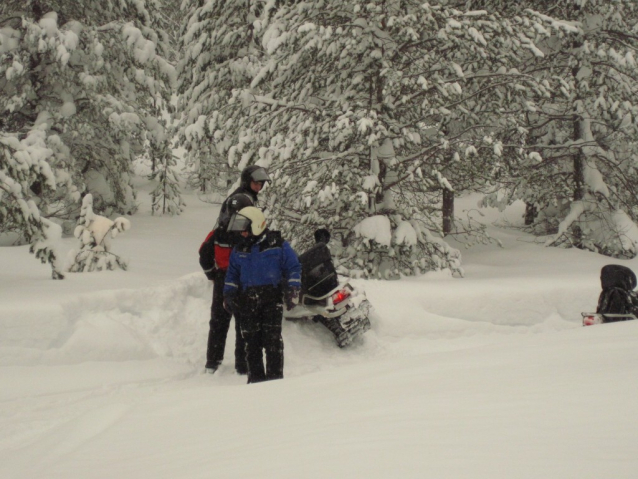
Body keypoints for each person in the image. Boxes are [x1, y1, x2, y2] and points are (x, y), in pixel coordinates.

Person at [198, 165, 271, 375]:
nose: (259, 186)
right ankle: (234, 364)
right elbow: (204, 251)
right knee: (237, 320)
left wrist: (213, 273)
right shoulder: (238, 209)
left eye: (261, 183)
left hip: (231, 275)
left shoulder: (230, 224)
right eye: (256, 182)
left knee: (226, 320)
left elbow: (204, 252)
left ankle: (218, 363)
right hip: (234, 275)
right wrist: (214, 273)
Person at [223, 207, 301, 384]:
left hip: (271, 299)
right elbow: (232, 274)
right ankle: (256, 382)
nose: (242, 233)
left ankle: (275, 382)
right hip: (247, 300)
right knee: (251, 344)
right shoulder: (240, 249)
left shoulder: (278, 244)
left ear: (256, 225)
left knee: (272, 342)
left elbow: (293, 267)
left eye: (245, 228)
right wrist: (228, 294)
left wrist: (293, 289)